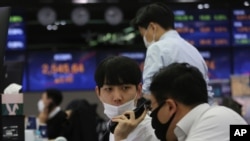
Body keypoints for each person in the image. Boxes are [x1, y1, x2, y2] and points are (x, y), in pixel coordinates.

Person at [113, 62, 248, 141]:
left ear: (170, 106)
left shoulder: (217, 120)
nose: (151, 115)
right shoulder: (201, 124)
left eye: (152, 108)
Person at [130, 2, 213, 100]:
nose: (144, 38)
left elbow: (149, 92)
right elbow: (208, 92)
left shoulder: (157, 48)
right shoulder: (193, 50)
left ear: (152, 27)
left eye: (142, 33)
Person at [94, 56, 159, 141]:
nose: (117, 97)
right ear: (98, 93)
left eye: (125, 88)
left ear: (139, 90)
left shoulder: (151, 131)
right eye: (109, 89)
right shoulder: (114, 126)